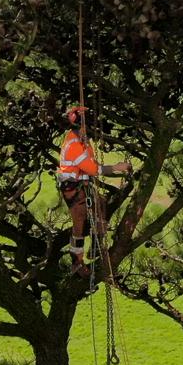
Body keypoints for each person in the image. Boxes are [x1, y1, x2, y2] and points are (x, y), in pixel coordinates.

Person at [56, 105, 130, 277]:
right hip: (73, 187)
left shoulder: (81, 141)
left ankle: (96, 244)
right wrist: (117, 167)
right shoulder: (74, 144)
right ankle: (77, 262)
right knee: (79, 224)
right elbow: (93, 169)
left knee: (101, 205)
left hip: (80, 184)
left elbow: (91, 164)